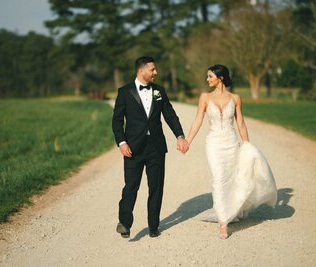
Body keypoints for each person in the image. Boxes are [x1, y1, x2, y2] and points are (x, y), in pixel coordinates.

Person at [185, 64, 277, 239]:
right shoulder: (205, 97)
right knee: (219, 178)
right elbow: (198, 120)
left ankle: (231, 209)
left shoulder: (235, 99)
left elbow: (240, 123)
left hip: (231, 142)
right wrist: (188, 141)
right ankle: (223, 221)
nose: (207, 79)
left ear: (220, 78)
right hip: (213, 143)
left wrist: (247, 145)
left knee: (232, 178)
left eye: (210, 76)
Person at [112, 56, 189, 238]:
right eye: (152, 70)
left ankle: (153, 226)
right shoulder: (124, 92)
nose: (156, 72)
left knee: (156, 187)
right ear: (141, 71)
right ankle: (124, 222)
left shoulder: (159, 91)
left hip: (156, 147)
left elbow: (170, 115)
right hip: (132, 147)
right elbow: (117, 121)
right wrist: (122, 143)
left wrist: (180, 136)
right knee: (131, 186)